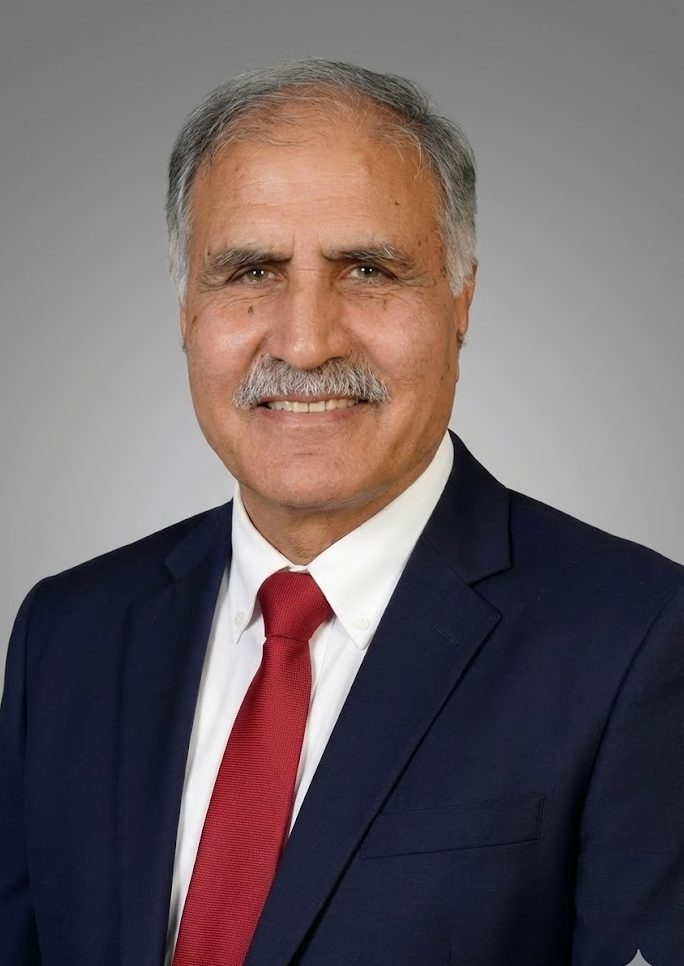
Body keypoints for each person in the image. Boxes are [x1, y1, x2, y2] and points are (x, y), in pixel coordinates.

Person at [0, 59, 681, 966]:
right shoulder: (67, 635)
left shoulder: (639, 639)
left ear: (462, 301)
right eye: (251, 271)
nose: (306, 341)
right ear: (186, 310)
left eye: (367, 269)